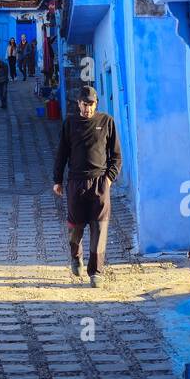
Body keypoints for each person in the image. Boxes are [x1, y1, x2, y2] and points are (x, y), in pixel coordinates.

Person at [52, 85, 122, 288]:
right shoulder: (70, 123)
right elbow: (62, 153)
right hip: (76, 182)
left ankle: (96, 272)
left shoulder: (107, 122)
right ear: (78, 104)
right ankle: (76, 256)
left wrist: (109, 179)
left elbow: (116, 156)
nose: (87, 109)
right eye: (84, 105)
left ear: (96, 104)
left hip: (100, 182)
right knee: (76, 226)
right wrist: (57, 180)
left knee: (99, 228)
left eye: (91, 105)